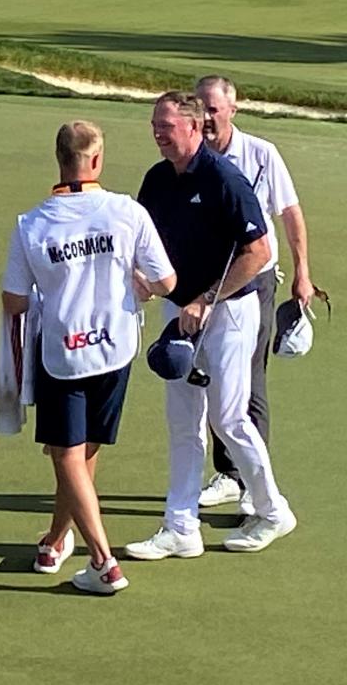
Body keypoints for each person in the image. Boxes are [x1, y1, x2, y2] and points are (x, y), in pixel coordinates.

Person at [2, 120, 175, 594]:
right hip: (115, 348)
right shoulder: (127, 211)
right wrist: (138, 285)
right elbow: (166, 282)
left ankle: (103, 560)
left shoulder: (32, 223)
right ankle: (57, 539)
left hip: (63, 352)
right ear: (96, 160)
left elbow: (14, 301)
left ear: (59, 159)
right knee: (81, 452)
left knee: (67, 454)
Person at [125, 92, 297, 560]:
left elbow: (258, 253)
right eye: (154, 125)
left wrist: (206, 298)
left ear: (194, 128)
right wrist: (144, 279)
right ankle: (180, 526)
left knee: (228, 418)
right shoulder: (158, 180)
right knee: (183, 423)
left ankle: (273, 510)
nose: (158, 133)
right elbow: (147, 241)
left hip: (231, 312)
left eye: (166, 125)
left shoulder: (225, 178)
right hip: (179, 312)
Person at [193, 75, 313, 513]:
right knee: (205, 376)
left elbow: (290, 214)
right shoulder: (193, 157)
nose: (206, 117)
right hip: (206, 283)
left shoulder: (261, 155)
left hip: (255, 279)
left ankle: (253, 484)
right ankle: (228, 472)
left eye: (213, 108)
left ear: (232, 110)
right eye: (200, 108)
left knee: (248, 379)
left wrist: (303, 274)